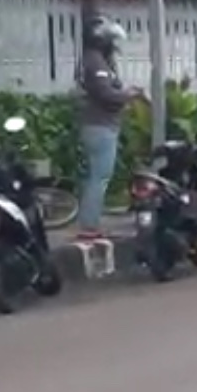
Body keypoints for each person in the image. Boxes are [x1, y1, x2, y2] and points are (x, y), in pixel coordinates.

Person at [76, 16, 142, 240]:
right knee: (100, 177)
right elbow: (105, 93)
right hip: (100, 127)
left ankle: (88, 223)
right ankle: (89, 227)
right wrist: (127, 95)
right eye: (111, 41)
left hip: (101, 125)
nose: (114, 46)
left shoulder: (96, 60)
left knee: (96, 176)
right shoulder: (95, 61)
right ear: (101, 40)